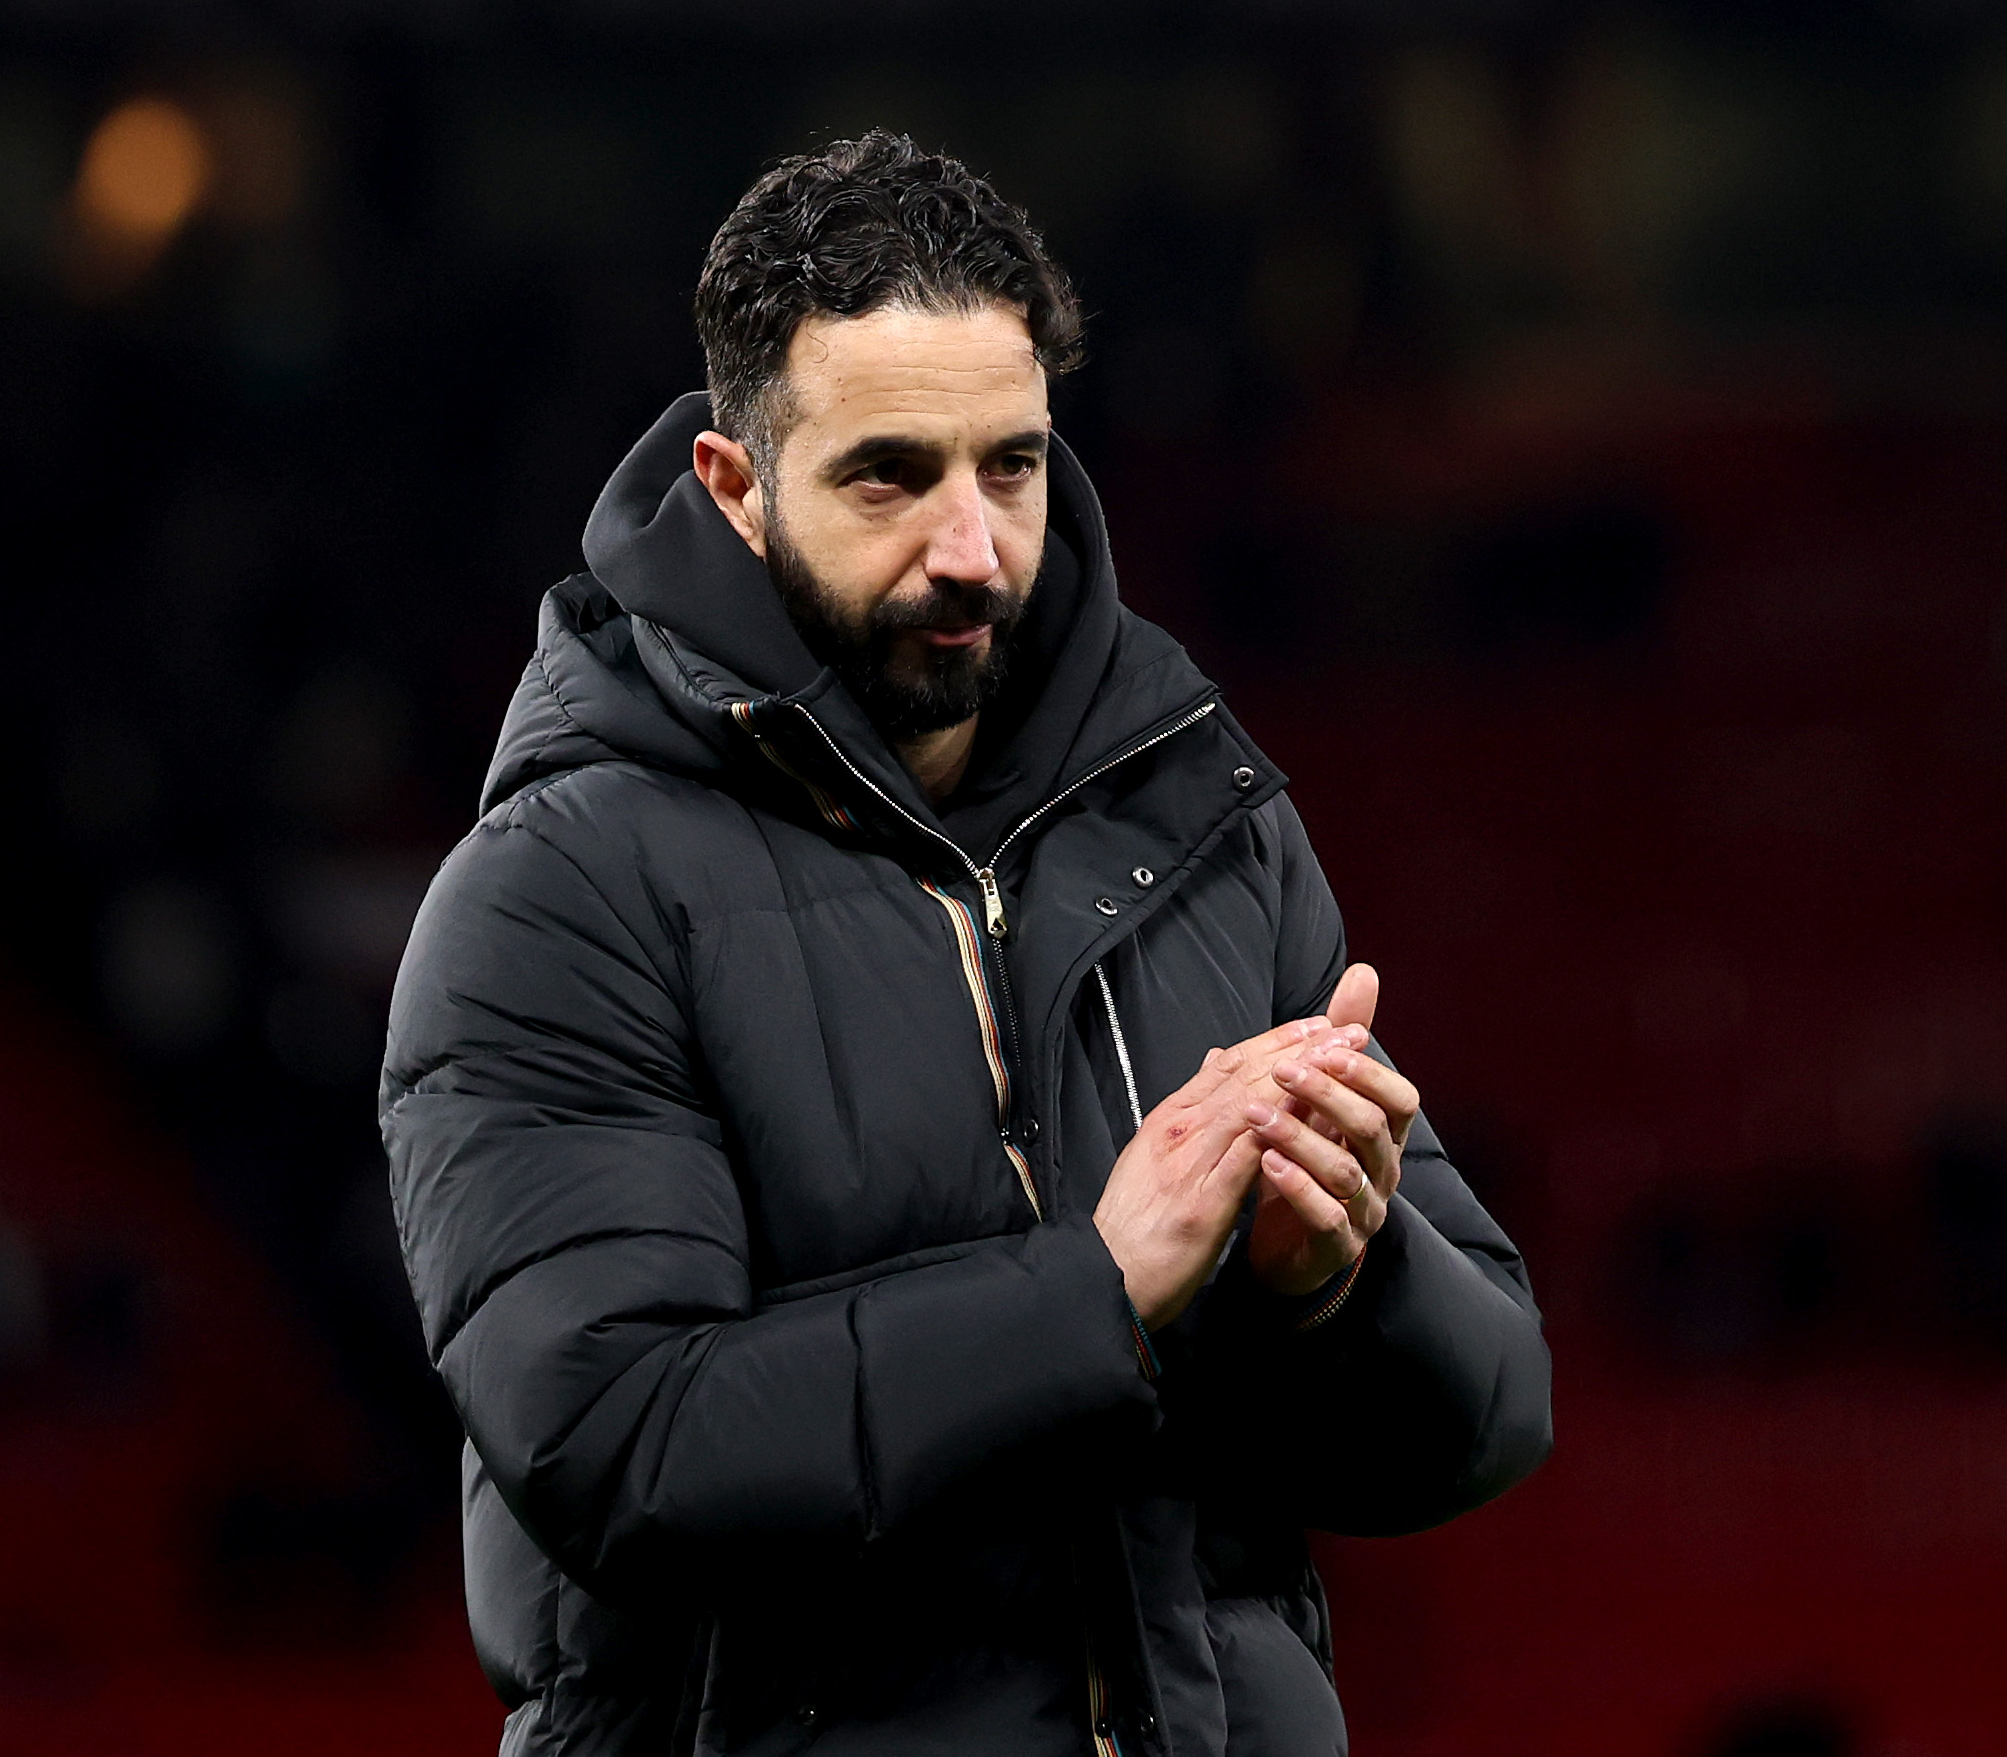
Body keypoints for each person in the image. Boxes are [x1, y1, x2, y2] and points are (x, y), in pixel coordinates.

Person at [380, 134, 1550, 1757]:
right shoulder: (555, 892)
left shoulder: (1199, 816)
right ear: (732, 487)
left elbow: (1487, 1417)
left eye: (1010, 466)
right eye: (888, 476)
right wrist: (1097, 1292)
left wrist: (1332, 1286)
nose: (971, 548)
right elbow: (616, 1447)